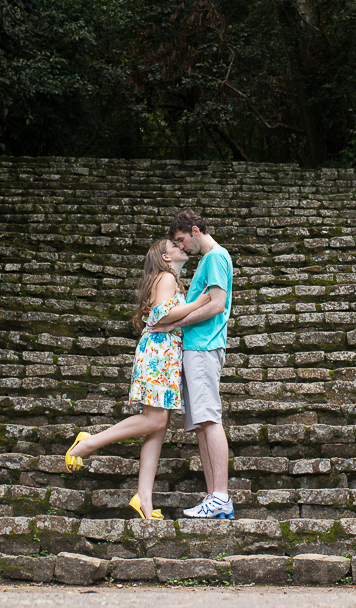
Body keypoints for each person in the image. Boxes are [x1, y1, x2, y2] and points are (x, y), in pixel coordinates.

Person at [65, 238, 210, 520]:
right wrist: (201, 302)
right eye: (176, 245)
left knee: (158, 426)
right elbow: (163, 314)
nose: (183, 246)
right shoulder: (166, 277)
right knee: (155, 420)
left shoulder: (168, 279)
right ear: (166, 257)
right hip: (159, 352)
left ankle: (143, 496)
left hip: (164, 353)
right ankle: (88, 443)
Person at [149, 209, 234, 520]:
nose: (181, 247)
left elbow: (216, 304)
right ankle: (214, 497)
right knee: (202, 425)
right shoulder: (209, 261)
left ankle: (221, 496)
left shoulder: (214, 257)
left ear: (196, 231)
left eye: (182, 240)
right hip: (197, 349)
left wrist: (175, 324)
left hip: (203, 348)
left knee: (209, 420)